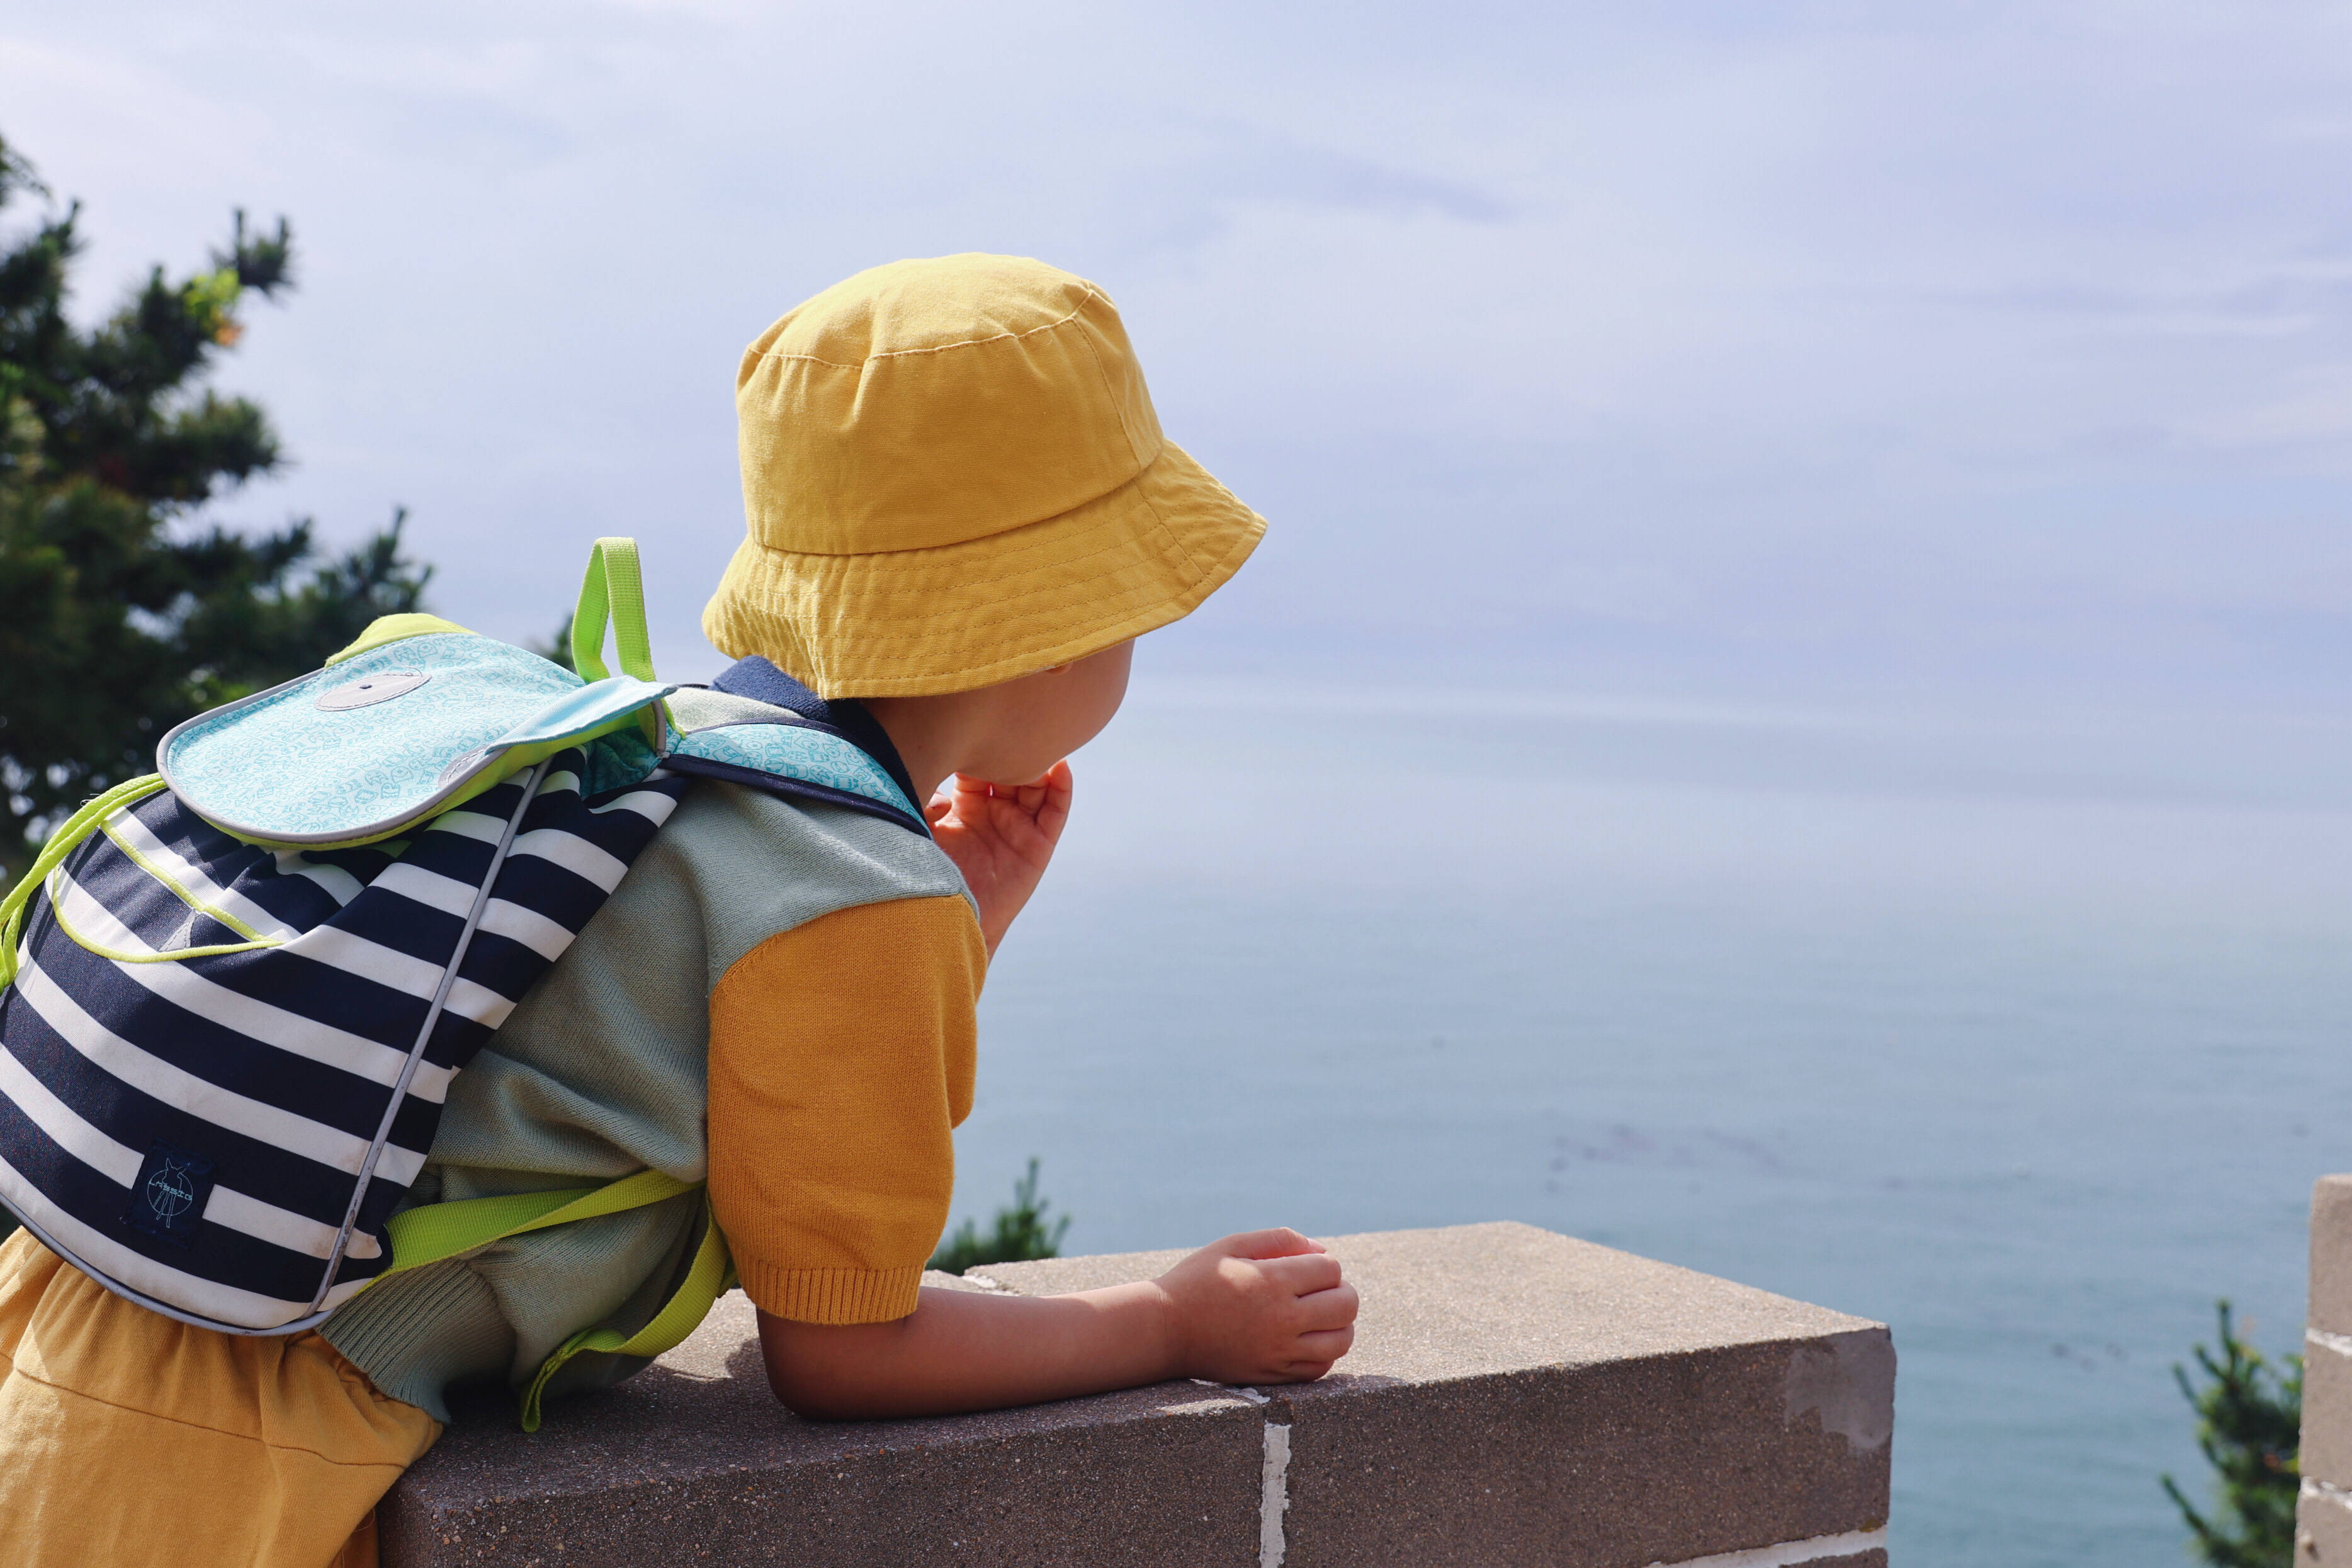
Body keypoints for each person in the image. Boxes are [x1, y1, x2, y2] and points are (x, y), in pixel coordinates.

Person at [0, 252, 1356, 1567]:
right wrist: (1174, 1326)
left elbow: (724, 1065)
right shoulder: (852, 887)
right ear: (1050, 624)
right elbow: (842, 1348)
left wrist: (963, 916)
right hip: (231, 1447)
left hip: (80, 1311)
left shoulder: (681, 740)